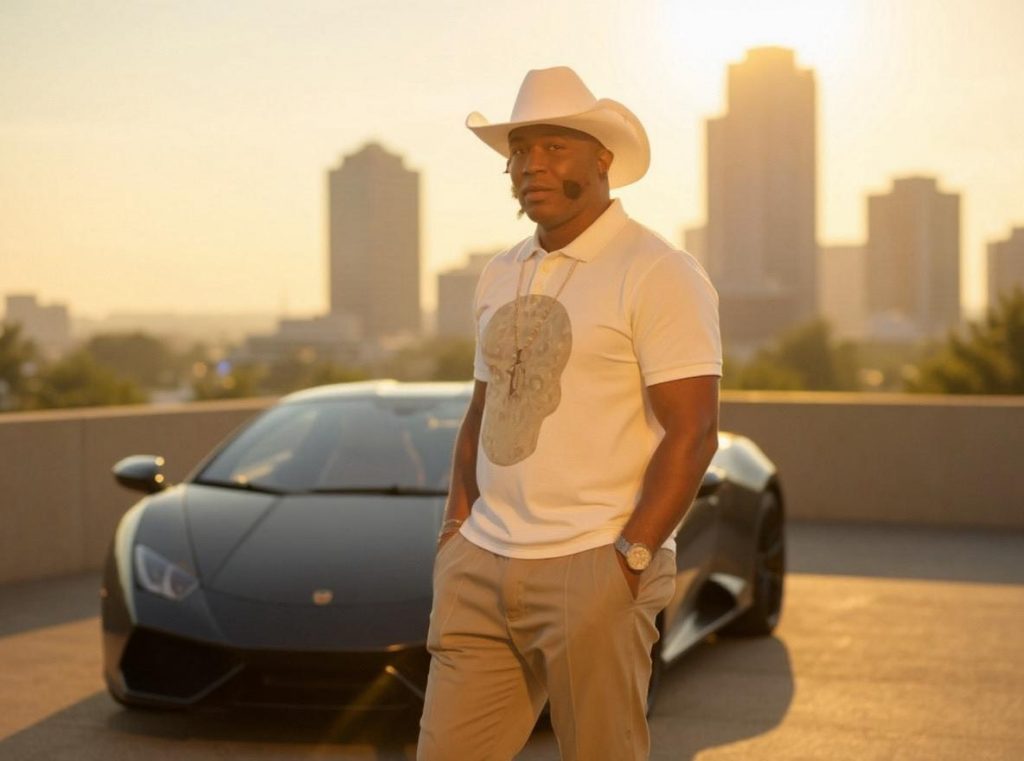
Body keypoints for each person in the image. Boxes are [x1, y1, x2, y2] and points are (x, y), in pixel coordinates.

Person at [417, 66, 722, 761]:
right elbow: (481, 412)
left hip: (596, 564)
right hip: (481, 565)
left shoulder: (657, 270)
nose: (531, 166)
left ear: (602, 158)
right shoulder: (500, 272)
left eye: (554, 147)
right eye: (520, 152)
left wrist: (631, 558)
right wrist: (455, 530)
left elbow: (694, 430)